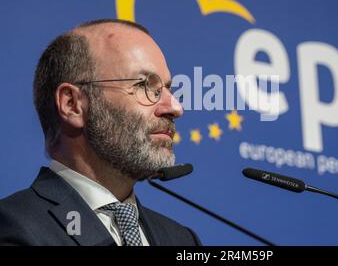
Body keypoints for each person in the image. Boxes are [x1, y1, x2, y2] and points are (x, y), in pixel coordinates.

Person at [0, 19, 201, 246]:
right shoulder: (14, 227)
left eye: (167, 89)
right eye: (145, 86)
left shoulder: (182, 240)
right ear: (72, 104)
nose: (175, 108)